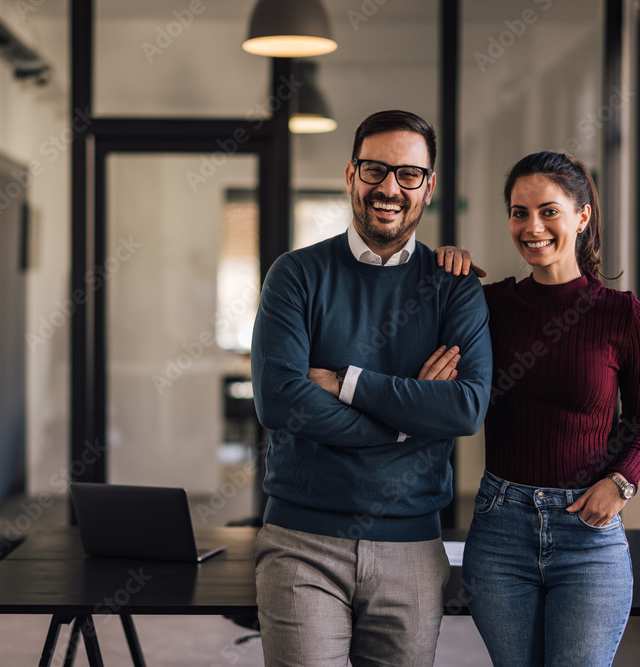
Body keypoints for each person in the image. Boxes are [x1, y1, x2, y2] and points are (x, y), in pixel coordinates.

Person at [250, 109, 493, 666]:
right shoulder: (295, 274)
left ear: (428, 187)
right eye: (374, 169)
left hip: (412, 546)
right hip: (300, 541)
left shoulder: (454, 286)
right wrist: (411, 419)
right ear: (350, 174)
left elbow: (464, 407)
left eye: (409, 174)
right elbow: (282, 401)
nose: (389, 187)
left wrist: (345, 382)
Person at [433, 151, 640, 666]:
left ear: (581, 217)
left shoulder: (624, 317)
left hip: (589, 535)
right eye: (519, 212)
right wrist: (439, 266)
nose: (532, 226)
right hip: (500, 529)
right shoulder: (488, 307)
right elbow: (412, 332)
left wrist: (622, 481)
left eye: (548, 210)